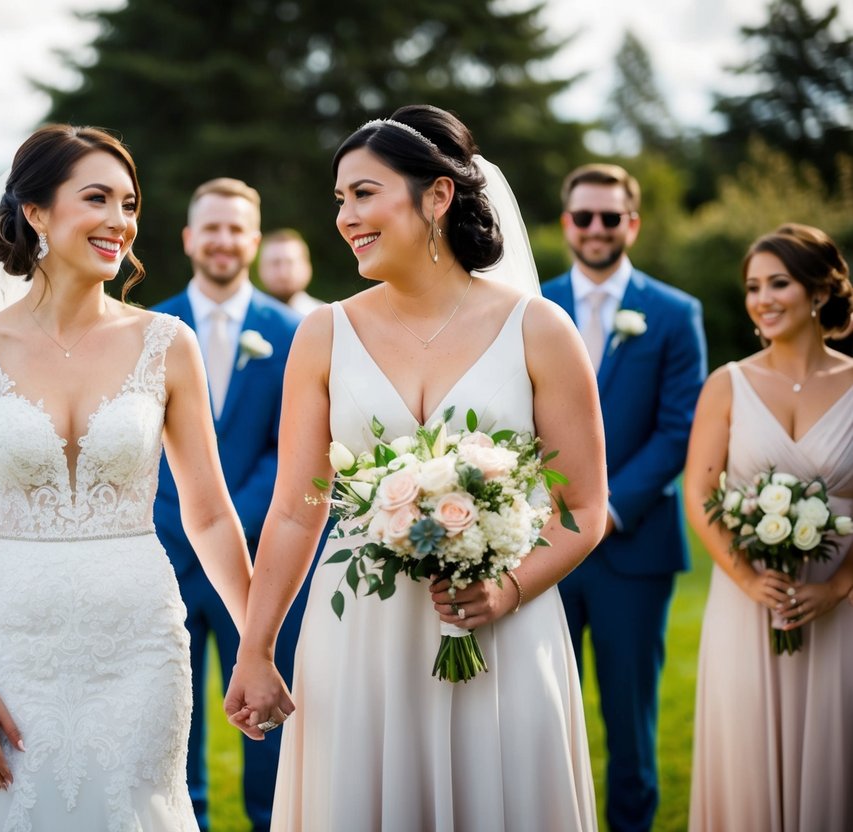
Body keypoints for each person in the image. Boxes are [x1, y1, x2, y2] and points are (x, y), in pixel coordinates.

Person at [225, 104, 606, 830]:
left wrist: (506, 590)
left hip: (503, 630)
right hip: (359, 634)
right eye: (339, 199)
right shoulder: (322, 334)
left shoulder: (537, 329)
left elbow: (583, 510)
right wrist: (256, 647)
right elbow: (295, 508)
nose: (344, 215)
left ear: (436, 196)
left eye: (363, 192)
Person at [0, 125, 254, 830]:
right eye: (97, 199)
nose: (120, 222)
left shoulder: (165, 343)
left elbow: (209, 514)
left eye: (129, 204)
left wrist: (257, 642)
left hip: (139, 638)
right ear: (35, 211)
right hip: (14, 635)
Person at [541, 163, 707, 832]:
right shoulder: (532, 304)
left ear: (630, 224)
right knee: (543, 714)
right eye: (584, 216)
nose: (596, 229)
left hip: (633, 548)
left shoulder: (674, 313)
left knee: (630, 724)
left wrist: (605, 510)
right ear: (565, 224)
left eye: (610, 217)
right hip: (541, 545)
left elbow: (679, 429)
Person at [685, 224, 853, 832]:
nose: (763, 299)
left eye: (778, 282)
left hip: (839, 603)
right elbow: (700, 493)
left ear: (819, 290)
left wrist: (837, 589)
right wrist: (748, 580)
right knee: (748, 750)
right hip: (747, 602)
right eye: (753, 286)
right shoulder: (727, 384)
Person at [152, 179, 302, 831]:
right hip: (164, 555)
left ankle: (272, 820)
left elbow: (296, 445)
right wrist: (192, 516)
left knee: (266, 715)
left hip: (263, 558)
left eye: (235, 228)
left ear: (254, 238)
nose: (221, 240)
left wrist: (231, 514)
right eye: (209, 228)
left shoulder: (293, 330)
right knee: (170, 718)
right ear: (189, 239)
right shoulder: (147, 328)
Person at [258, 228, 324, 316]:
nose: (283, 272)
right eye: (275, 263)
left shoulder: (328, 318)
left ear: (307, 267)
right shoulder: (245, 317)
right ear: (261, 269)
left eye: (290, 263)